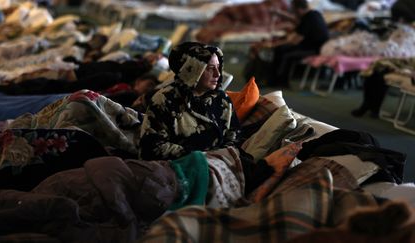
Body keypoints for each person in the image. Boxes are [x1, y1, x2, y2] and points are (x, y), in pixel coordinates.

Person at [139, 41, 303, 200]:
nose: (218, 75)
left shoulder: (220, 99)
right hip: (178, 167)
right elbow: (152, 148)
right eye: (210, 69)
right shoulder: (165, 100)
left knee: (256, 169)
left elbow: (234, 135)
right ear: (191, 70)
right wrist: (203, 156)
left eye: (218, 67)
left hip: (219, 162)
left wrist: (223, 155)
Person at [246, 0, 329, 88]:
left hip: (314, 50)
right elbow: (296, 22)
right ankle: (273, 80)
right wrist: (280, 14)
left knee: (284, 52)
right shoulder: (314, 14)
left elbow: (295, 41)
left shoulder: (309, 18)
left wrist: (273, 45)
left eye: (293, 10)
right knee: (281, 49)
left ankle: (280, 82)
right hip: (312, 47)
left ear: (298, 9)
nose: (292, 12)